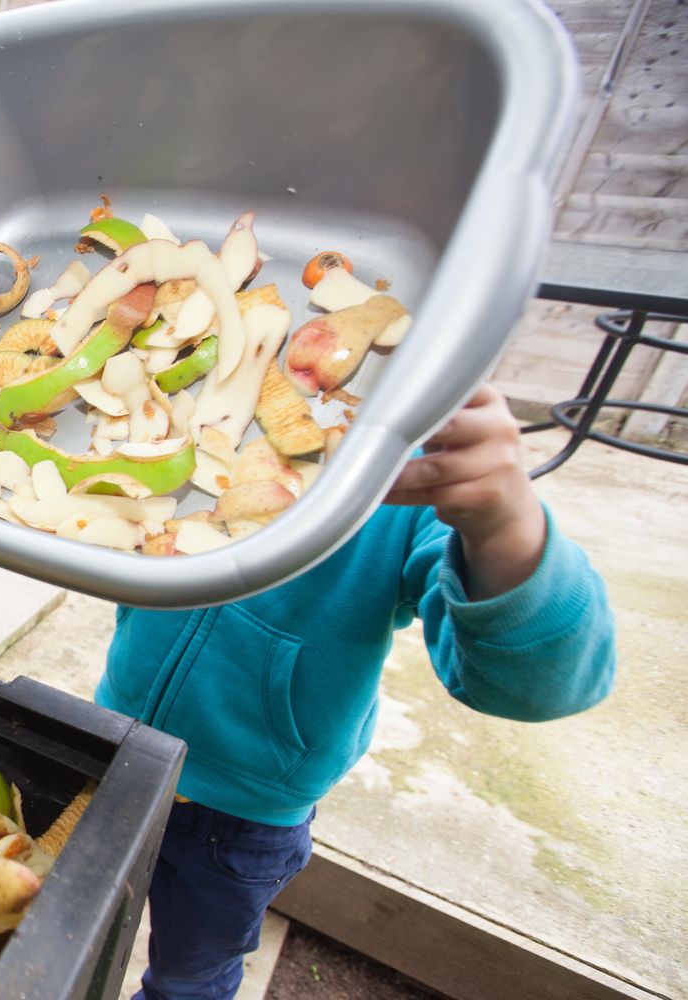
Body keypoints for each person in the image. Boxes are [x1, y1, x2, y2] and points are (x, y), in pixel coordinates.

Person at [99, 383, 618, 1000]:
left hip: (242, 822)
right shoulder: (196, 382)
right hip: (116, 750)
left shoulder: (406, 457)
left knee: (191, 975)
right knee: (87, 928)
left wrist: (505, 526)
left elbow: (542, 685)